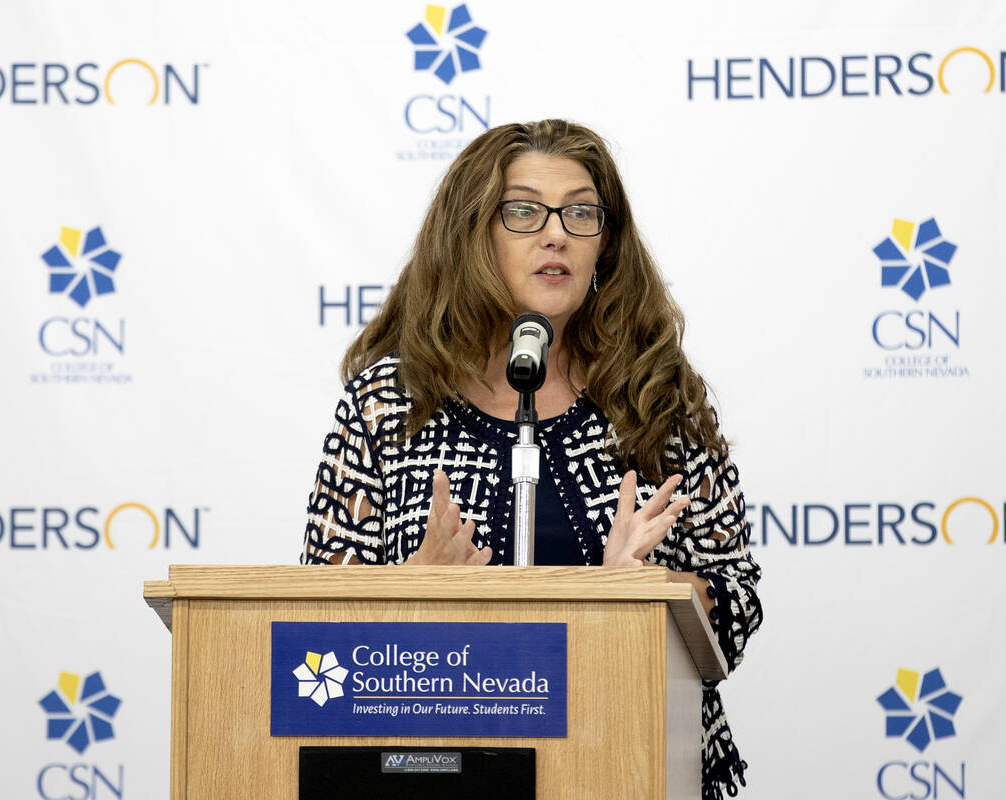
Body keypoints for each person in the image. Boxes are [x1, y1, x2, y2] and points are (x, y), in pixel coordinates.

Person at [302, 119, 762, 800]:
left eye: (581, 212)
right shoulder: (388, 403)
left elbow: (735, 601)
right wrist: (412, 584)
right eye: (523, 211)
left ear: (605, 243)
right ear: (472, 235)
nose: (557, 234)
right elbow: (314, 628)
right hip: (432, 767)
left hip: (628, 757)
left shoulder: (657, 396)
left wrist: (645, 595)